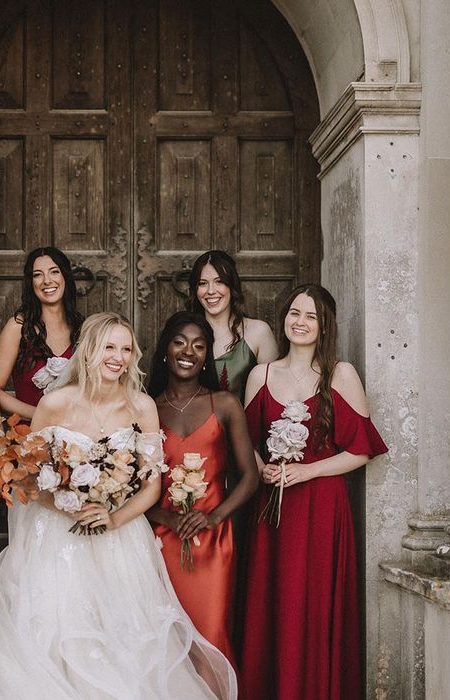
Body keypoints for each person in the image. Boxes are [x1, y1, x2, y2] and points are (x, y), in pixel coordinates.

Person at [0, 312, 237, 700]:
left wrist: (113, 517)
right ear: (90, 350)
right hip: (58, 541)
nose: (118, 357)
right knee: (60, 635)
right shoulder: (54, 403)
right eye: (109, 347)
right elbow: (28, 476)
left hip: (119, 539)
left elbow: (150, 486)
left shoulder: (141, 406)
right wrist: (68, 503)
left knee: (121, 641)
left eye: (126, 349)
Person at [240, 284, 388, 700]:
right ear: (283, 318)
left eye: (311, 317)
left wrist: (309, 471)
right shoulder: (260, 375)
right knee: (277, 602)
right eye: (294, 313)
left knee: (315, 602)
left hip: (323, 506)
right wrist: (261, 468)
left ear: (324, 327)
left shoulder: (341, 374)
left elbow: (362, 450)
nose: (300, 322)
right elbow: (248, 441)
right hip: (274, 510)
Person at [146, 311, 259, 669]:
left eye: (199, 345)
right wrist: (164, 517)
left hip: (213, 544)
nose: (188, 351)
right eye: (180, 342)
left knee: (211, 636)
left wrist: (213, 518)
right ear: (166, 349)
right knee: (164, 640)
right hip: (158, 542)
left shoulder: (224, 404)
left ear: (206, 355)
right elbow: (131, 483)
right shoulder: (147, 407)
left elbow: (250, 476)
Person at [0, 246, 83, 420]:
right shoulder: (18, 327)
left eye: (54, 272)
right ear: (30, 283)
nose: (47, 280)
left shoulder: (83, 328)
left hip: (76, 435)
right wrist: (41, 415)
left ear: (65, 277)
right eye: (37, 274)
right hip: (29, 435)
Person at [187, 250, 278, 404]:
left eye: (219, 281)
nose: (210, 291)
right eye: (203, 283)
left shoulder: (259, 332)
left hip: (247, 426)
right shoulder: (184, 333)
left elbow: (272, 397)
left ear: (232, 285)